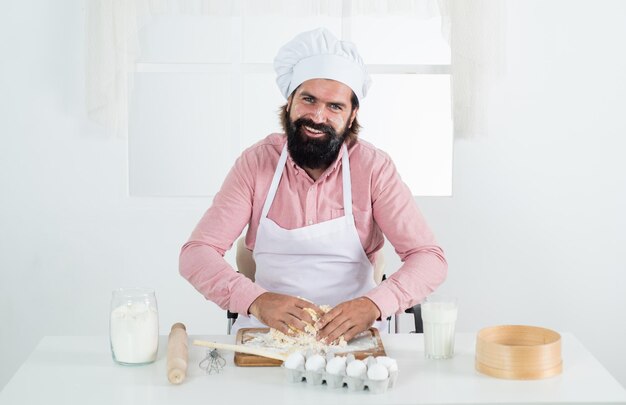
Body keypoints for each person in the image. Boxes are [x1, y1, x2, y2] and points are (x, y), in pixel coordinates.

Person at [179, 28, 447, 343]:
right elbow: (196, 254)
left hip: (355, 337)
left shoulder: (373, 168)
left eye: (335, 106)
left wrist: (374, 304)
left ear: (352, 115)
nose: (317, 116)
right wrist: (257, 301)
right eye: (308, 99)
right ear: (290, 101)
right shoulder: (255, 164)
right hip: (268, 335)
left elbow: (429, 258)